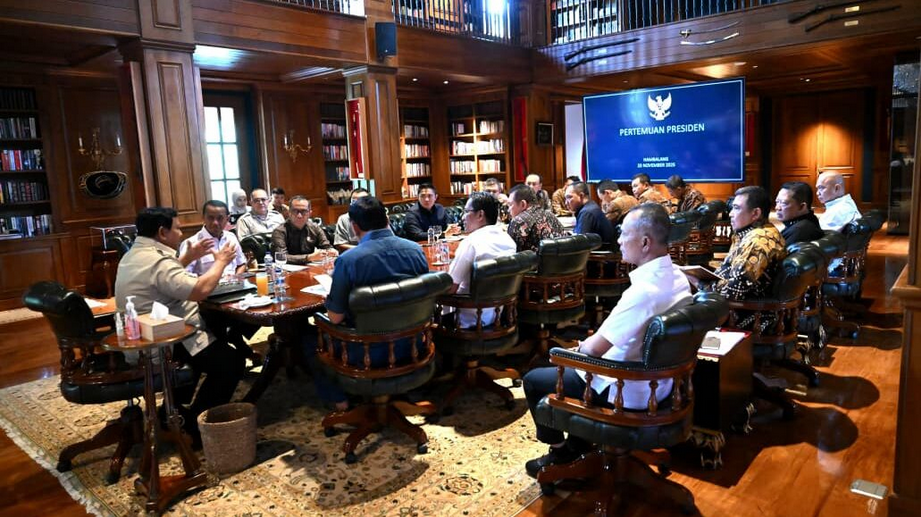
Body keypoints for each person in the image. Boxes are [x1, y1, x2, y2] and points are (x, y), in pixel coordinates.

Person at [523, 204, 692, 477]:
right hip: (663, 385)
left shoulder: (644, 292)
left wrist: (578, 349)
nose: (619, 240)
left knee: (534, 379)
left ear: (645, 242)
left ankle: (561, 453)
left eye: (624, 234)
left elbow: (594, 350)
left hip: (628, 387)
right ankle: (580, 442)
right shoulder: (679, 277)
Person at [114, 207, 245, 442]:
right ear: (162, 232)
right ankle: (195, 428)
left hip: (141, 336)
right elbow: (200, 290)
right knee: (231, 362)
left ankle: (173, 409)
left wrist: (188, 258)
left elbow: (165, 279)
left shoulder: (135, 254)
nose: (181, 233)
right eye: (177, 228)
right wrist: (221, 261)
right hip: (163, 342)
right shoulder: (158, 261)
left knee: (214, 328)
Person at [693, 186, 787, 301]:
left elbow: (732, 292)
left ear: (755, 213)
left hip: (746, 308)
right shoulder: (753, 231)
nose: (731, 214)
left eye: (736, 208)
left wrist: (698, 283)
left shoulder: (757, 242)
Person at [447, 192, 516, 328]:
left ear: (480, 215)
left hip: (467, 319)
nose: (462, 217)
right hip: (498, 317)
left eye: (466, 211)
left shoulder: (471, 242)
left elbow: (450, 288)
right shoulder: (508, 240)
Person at [179, 200, 247, 277]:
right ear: (203, 218)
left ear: (227, 219)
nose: (215, 223)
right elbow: (184, 275)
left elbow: (241, 264)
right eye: (210, 218)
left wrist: (235, 278)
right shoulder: (192, 243)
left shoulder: (231, 238)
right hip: (206, 284)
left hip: (234, 282)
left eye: (220, 218)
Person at [271, 196, 336, 265]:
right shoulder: (279, 231)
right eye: (295, 211)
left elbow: (326, 247)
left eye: (303, 211)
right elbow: (281, 257)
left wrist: (331, 251)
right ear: (289, 212)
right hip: (287, 269)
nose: (299, 215)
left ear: (310, 213)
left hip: (311, 267)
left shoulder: (315, 228)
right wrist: (308, 258)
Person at [507, 183, 564, 253]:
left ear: (523, 204)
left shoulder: (518, 221)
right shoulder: (550, 214)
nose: (508, 210)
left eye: (510, 204)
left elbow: (511, 252)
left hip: (538, 260)